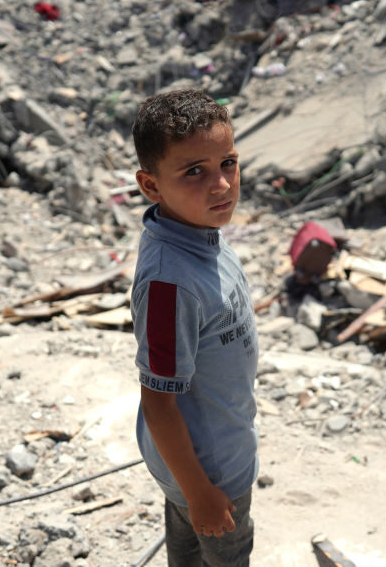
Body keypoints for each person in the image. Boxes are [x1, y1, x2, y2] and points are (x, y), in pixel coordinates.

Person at [131, 89, 258, 566]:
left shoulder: (200, 234)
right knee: (225, 552)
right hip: (209, 471)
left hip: (210, 453)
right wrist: (201, 492)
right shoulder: (170, 282)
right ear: (151, 186)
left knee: (187, 552)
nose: (222, 185)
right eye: (194, 172)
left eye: (228, 162)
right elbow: (158, 401)